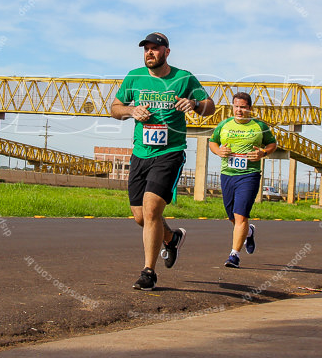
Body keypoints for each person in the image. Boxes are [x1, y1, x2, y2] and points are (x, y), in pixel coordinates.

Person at [111, 32, 215, 290]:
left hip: (170, 151)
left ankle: (148, 272)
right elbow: (114, 107)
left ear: (167, 52)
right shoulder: (134, 76)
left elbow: (209, 106)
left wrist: (193, 103)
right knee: (140, 217)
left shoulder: (184, 78)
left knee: (151, 209)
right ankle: (171, 237)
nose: (150, 52)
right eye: (146, 48)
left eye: (155, 48)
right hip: (140, 153)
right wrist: (129, 110)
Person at [208, 92, 277, 268]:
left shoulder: (259, 126)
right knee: (231, 215)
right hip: (227, 174)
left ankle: (234, 255)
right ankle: (249, 232)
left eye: (243, 107)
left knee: (240, 215)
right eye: (236, 106)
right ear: (233, 107)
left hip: (249, 175)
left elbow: (272, 144)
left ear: (250, 108)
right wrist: (218, 151)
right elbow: (213, 142)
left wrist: (263, 153)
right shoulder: (224, 124)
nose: (239, 110)